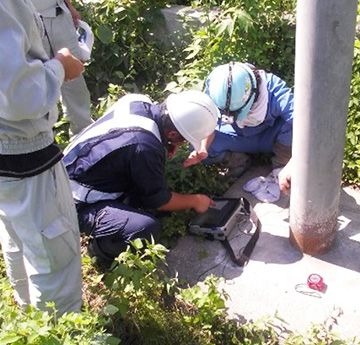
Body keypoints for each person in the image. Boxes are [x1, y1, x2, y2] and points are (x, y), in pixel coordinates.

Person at [62, 91, 219, 262]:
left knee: (143, 183)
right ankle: (99, 252)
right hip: (72, 202)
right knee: (143, 228)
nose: (182, 145)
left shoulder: (138, 101)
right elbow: (160, 201)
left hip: (67, 169)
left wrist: (164, 144)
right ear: (172, 134)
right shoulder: (145, 148)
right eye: (183, 141)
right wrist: (196, 201)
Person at [0, 0, 85, 315]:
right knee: (53, 253)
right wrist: (61, 66)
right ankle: (58, 330)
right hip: (22, 144)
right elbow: (21, 95)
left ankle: (28, 317)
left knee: (16, 234)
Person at [182, 62, 294, 178]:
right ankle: (238, 160)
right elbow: (209, 121)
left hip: (271, 136)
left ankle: (281, 166)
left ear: (254, 94)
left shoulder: (275, 90)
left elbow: (307, 126)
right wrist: (203, 148)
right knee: (196, 146)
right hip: (236, 135)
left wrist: (293, 163)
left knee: (292, 126)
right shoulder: (214, 84)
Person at [34, 0, 93, 136]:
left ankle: (84, 136)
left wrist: (69, 6)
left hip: (59, 14)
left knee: (75, 81)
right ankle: (44, 140)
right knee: (38, 84)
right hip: (30, 22)